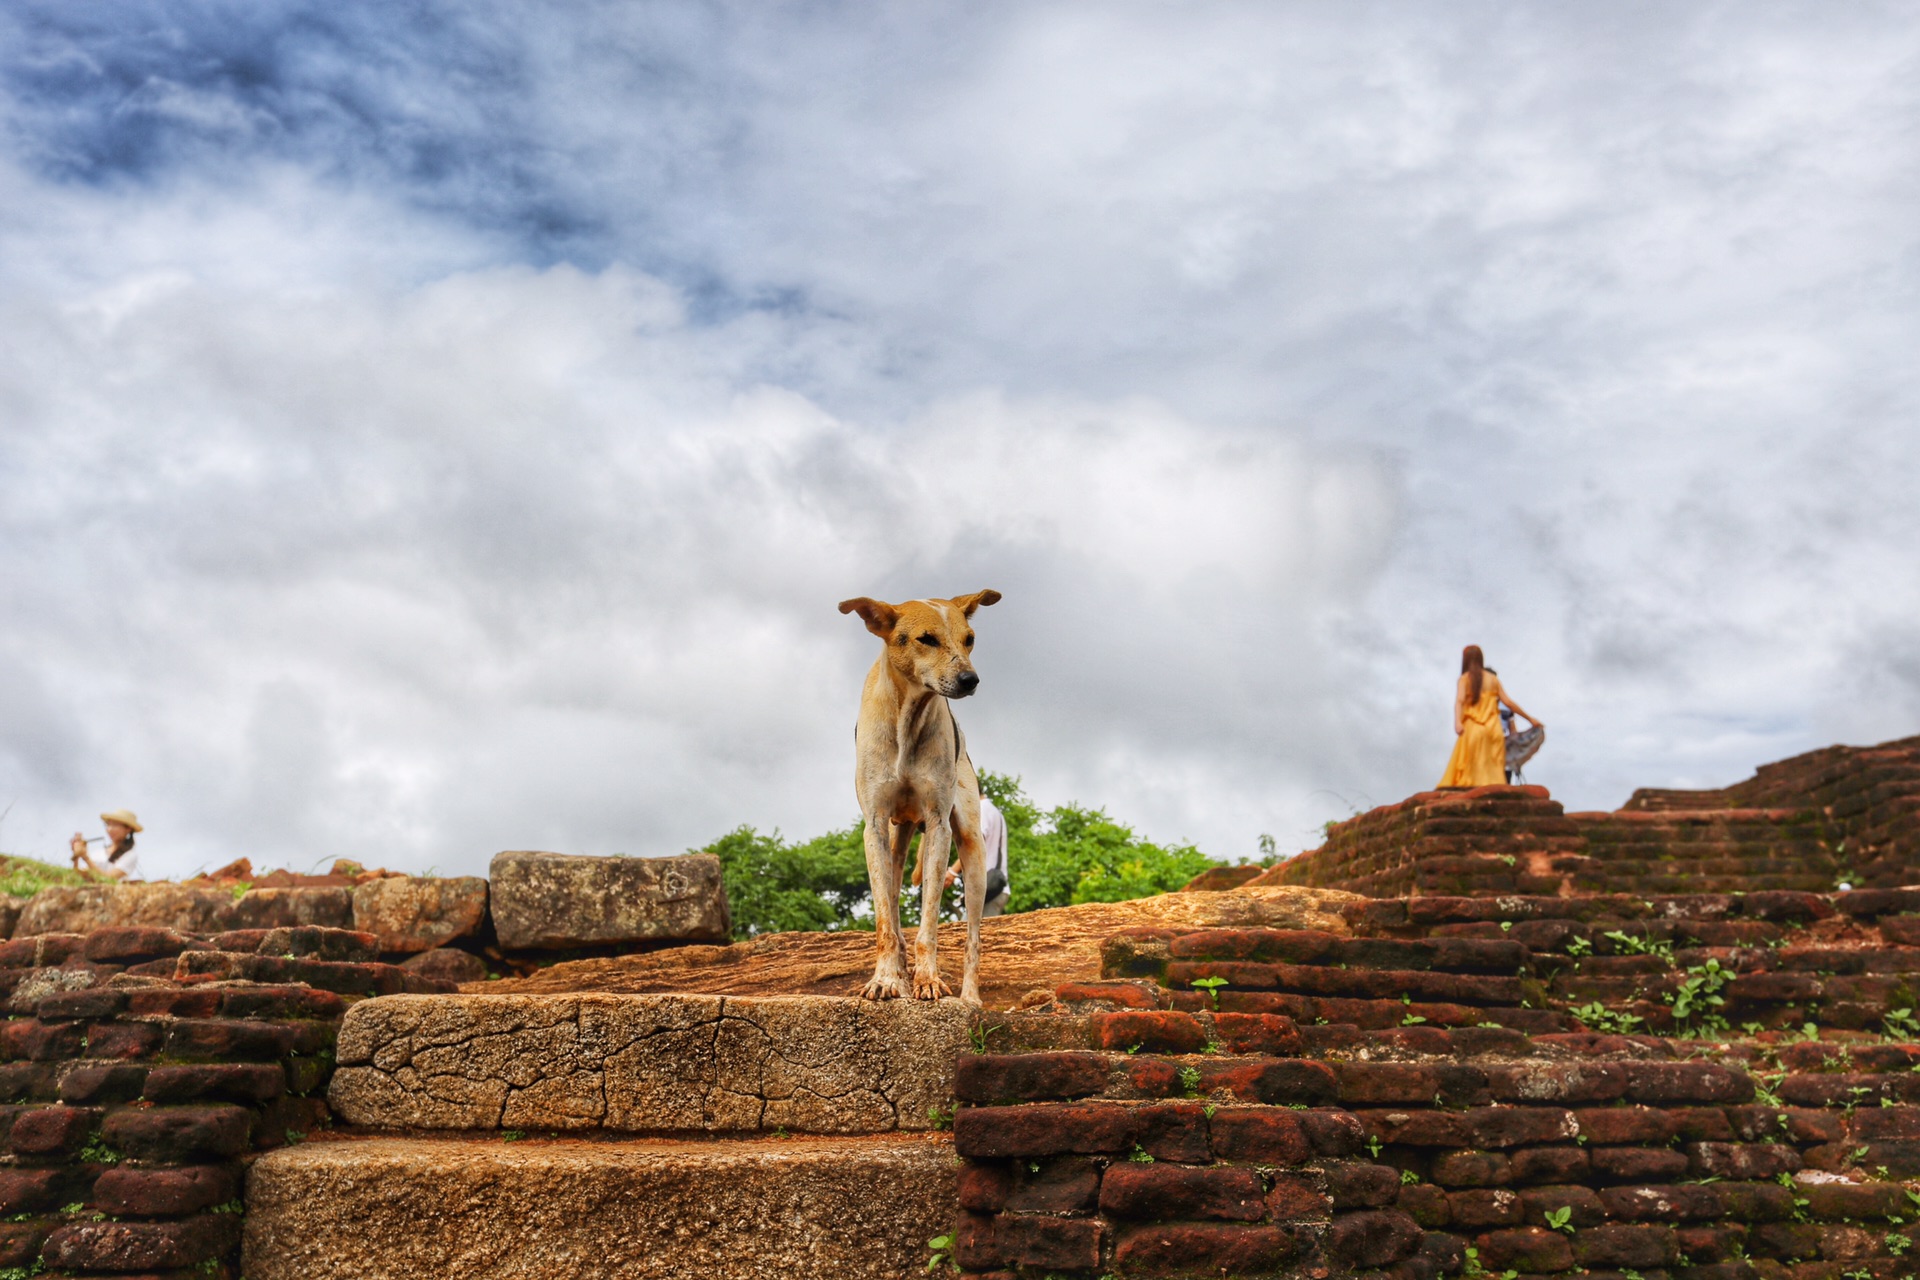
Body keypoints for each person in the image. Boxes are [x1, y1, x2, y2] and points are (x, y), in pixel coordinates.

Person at [1438, 646, 1542, 788]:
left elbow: (1459, 702)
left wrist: (1457, 722)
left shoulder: (1464, 679)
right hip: (1494, 731)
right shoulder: (1493, 680)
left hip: (1473, 729)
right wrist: (1530, 719)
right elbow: (1509, 702)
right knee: (1493, 773)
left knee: (1471, 770)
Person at [910, 794, 1013, 917]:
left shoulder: (981, 808)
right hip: (992, 887)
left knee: (970, 934)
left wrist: (952, 872)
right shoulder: (994, 811)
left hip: (987, 888)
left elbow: (975, 843)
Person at [70, 809, 144, 882]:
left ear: (128, 829)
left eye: (115, 825)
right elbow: (77, 878)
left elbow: (108, 879)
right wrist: (76, 856)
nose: (110, 829)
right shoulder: (98, 853)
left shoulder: (130, 855)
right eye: (108, 825)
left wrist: (86, 858)